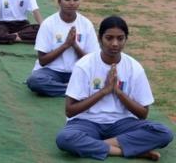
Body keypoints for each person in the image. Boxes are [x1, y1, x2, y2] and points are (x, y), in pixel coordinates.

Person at [55, 16, 174, 160]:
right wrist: (104, 91)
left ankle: (98, 145)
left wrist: (117, 91)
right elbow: (70, 110)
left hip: (122, 124)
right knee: (65, 138)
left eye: (120, 38)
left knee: (163, 133)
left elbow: (143, 114)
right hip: (87, 122)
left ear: (126, 40)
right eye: (109, 38)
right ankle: (126, 150)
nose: (115, 44)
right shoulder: (84, 65)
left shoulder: (134, 67)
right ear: (100, 39)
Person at [26, 0, 99, 97]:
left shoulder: (86, 24)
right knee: (35, 81)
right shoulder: (48, 24)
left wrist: (74, 45)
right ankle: (73, 90)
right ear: (59, 1)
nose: (72, 3)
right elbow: (42, 61)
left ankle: (68, 88)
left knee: (100, 80)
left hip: (77, 71)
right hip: (52, 71)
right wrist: (65, 45)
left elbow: (91, 61)